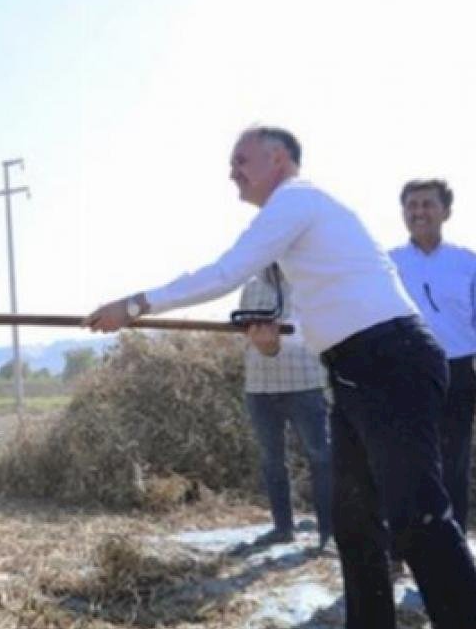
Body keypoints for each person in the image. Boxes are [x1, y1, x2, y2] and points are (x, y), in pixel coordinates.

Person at [84, 126, 476, 628]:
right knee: (354, 524)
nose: (232, 173)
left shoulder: (297, 200)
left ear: (278, 159)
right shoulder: (303, 229)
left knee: (417, 517)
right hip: (358, 368)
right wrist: (275, 342)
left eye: (240, 161)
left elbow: (226, 271)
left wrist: (136, 305)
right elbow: (331, 317)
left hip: (391, 361)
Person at [389, 178, 476, 532]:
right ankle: (403, 546)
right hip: (403, 372)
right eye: (412, 205)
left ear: (446, 211)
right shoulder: (388, 263)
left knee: (453, 460)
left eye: (427, 204)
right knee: (404, 460)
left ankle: (454, 543)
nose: (419, 212)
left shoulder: (466, 262)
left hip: (457, 369)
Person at [237, 265, 333, 551]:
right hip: (259, 385)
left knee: (322, 457)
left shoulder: (310, 282)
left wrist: (278, 342)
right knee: (271, 460)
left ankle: (329, 533)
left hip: (305, 382)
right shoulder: (250, 287)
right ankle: (282, 528)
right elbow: (246, 334)